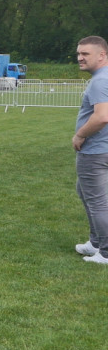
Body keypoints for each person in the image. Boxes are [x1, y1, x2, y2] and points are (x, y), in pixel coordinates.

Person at [73, 36, 108, 264]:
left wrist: (80, 134)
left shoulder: (99, 81)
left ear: (102, 55)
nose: (80, 58)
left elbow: (102, 117)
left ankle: (105, 252)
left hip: (95, 150)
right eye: (78, 53)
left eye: (85, 54)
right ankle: (95, 242)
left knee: (97, 201)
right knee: (84, 191)